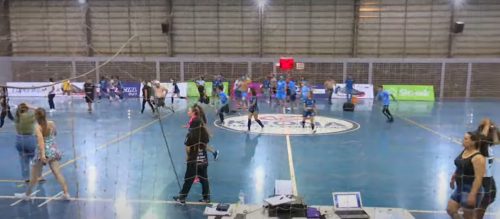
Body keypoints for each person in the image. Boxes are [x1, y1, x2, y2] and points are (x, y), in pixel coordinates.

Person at [15, 108, 70, 200]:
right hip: (53, 150)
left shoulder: (37, 127)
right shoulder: (51, 123)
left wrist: (43, 155)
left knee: (34, 176)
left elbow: (41, 142)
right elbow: (55, 133)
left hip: (43, 152)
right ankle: (66, 193)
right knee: (58, 173)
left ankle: (27, 195)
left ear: (36, 117)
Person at [173, 106, 210, 203]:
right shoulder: (205, 133)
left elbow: (188, 146)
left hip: (194, 159)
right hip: (203, 158)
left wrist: (188, 157)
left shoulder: (191, 134)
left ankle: (182, 197)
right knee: (204, 178)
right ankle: (206, 198)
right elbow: (206, 142)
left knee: (188, 178)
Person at [447, 132, 487, 219]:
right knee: (450, 209)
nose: (463, 140)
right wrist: (453, 177)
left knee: (468, 217)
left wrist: (473, 194)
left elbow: (478, 178)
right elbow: (460, 165)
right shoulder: (465, 151)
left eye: (466, 139)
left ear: (473, 142)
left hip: (470, 190)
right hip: (459, 188)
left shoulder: (478, 157)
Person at [475, 118, 498, 218]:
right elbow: (482, 138)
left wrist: (494, 128)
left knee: (491, 195)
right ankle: (477, 215)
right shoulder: (480, 144)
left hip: (488, 175)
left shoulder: (488, 146)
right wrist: (487, 125)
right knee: (488, 196)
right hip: (482, 176)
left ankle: (478, 213)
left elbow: (497, 141)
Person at [14, 103, 38, 182]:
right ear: (27, 109)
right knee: (34, 158)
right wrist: (31, 106)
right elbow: (39, 110)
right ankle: (37, 175)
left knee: (23, 160)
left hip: (19, 139)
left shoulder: (17, 117)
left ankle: (26, 178)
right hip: (29, 139)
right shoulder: (30, 117)